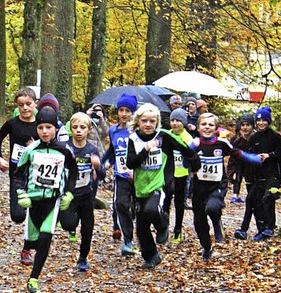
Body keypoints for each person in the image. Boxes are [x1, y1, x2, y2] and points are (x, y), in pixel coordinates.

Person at [125, 103, 200, 269]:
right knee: (142, 227)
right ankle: (152, 256)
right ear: (138, 122)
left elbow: (183, 148)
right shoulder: (133, 140)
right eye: (144, 121)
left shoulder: (164, 136)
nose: (148, 124)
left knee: (151, 210)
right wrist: (145, 150)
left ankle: (163, 223)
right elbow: (130, 163)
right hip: (140, 187)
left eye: (152, 121)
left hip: (161, 185)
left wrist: (195, 163)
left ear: (157, 122)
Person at [14, 100, 78, 293]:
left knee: (45, 237)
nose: (44, 131)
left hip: (53, 201)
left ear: (56, 129)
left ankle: (33, 278)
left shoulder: (64, 151)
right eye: (40, 127)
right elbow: (17, 175)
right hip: (33, 202)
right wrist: (21, 194)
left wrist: (69, 193)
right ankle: (28, 250)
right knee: (32, 239)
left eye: (48, 127)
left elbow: (73, 173)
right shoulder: (30, 150)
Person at [189, 113, 261, 261]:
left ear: (216, 128)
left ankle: (216, 222)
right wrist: (191, 155)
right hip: (198, 187)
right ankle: (207, 248)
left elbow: (237, 154)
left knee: (212, 207)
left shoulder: (221, 143)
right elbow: (184, 163)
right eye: (204, 124)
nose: (207, 127)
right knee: (199, 224)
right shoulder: (194, 144)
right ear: (198, 127)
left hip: (217, 185)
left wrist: (253, 159)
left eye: (211, 125)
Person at [0, 87, 39, 265]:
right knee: (18, 215)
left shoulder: (41, 124)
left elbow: (53, 143)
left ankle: (27, 249)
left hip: (37, 174)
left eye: (28, 104)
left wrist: (38, 145)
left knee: (34, 214)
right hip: (17, 173)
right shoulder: (12, 123)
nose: (25, 108)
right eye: (21, 105)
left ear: (35, 104)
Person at [58, 112, 103, 271]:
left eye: (82, 127)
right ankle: (68, 221)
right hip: (69, 195)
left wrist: (97, 166)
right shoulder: (64, 147)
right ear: (70, 129)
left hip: (86, 195)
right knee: (68, 224)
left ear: (89, 130)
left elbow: (102, 175)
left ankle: (83, 258)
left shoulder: (92, 149)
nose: (78, 130)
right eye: (75, 127)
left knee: (87, 229)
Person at [102, 94, 137, 253]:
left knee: (138, 209)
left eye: (128, 111)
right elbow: (113, 151)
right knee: (121, 204)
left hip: (138, 176)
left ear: (133, 113)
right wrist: (104, 162)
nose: (123, 114)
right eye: (121, 110)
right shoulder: (113, 131)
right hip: (121, 175)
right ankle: (128, 240)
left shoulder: (137, 131)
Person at [246, 106, 281, 241]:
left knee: (267, 198)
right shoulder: (253, 138)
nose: (261, 123)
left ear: (268, 121)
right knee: (256, 200)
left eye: (264, 120)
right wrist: (255, 158)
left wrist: (269, 155)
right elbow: (249, 154)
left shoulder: (275, 136)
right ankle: (261, 229)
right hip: (258, 174)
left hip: (273, 174)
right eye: (259, 120)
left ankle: (270, 226)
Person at [166, 108, 193, 244]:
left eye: (178, 121)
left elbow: (192, 155)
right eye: (172, 121)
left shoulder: (187, 138)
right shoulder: (167, 135)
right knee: (165, 202)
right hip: (168, 174)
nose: (175, 123)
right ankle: (164, 229)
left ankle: (177, 230)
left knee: (179, 204)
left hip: (182, 174)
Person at [227, 113, 255, 204]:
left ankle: (251, 196)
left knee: (250, 180)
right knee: (238, 177)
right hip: (239, 162)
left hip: (251, 164)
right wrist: (230, 173)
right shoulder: (236, 139)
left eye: (248, 125)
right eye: (243, 125)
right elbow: (232, 154)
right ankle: (236, 195)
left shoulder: (256, 138)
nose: (245, 127)